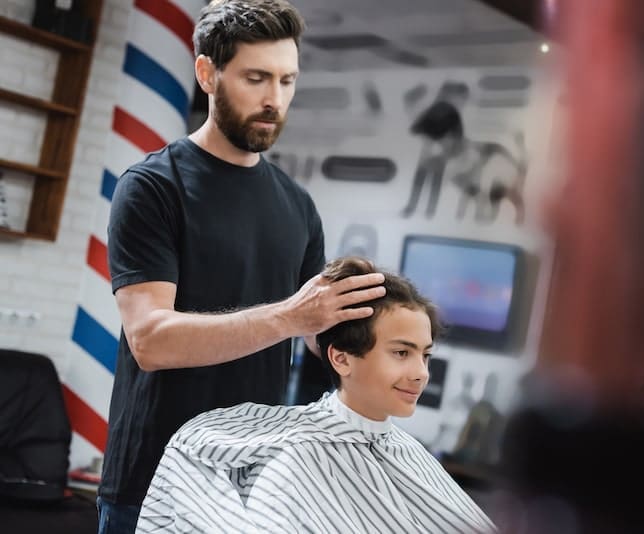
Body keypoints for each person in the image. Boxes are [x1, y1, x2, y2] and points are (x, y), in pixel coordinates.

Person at [99, 2, 385, 532]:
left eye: (287, 80)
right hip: (154, 481)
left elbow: (318, 332)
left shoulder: (297, 206)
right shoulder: (153, 188)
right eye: (256, 78)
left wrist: (383, 351)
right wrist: (292, 318)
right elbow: (152, 341)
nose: (274, 99)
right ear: (208, 73)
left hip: (249, 485)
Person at [136, 257, 498, 534]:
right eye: (402, 353)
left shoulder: (409, 454)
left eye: (425, 354)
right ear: (342, 358)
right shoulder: (295, 456)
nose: (421, 372)